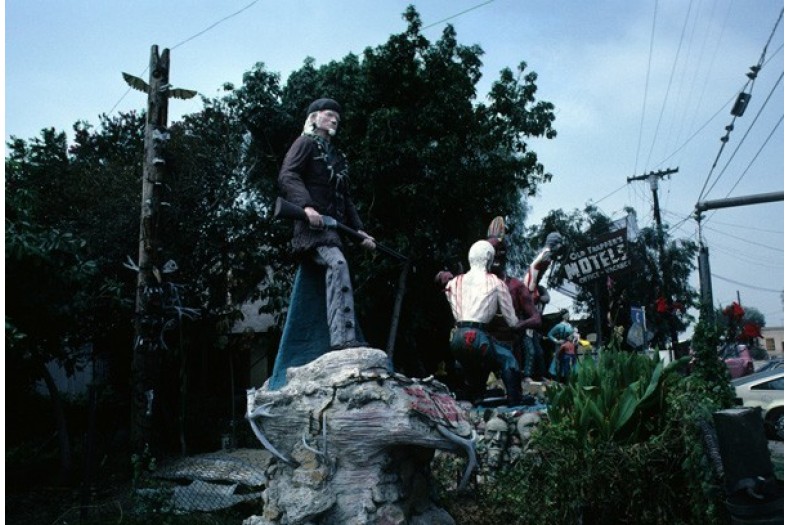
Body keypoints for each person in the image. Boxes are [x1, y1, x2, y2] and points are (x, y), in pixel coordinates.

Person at [278, 98, 376, 350]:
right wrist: (306, 206)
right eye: (329, 114)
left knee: (341, 268)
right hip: (312, 229)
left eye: (337, 118)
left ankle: (346, 336)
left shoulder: (338, 156)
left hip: (335, 232)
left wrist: (360, 231)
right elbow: (288, 175)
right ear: (314, 118)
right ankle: (343, 339)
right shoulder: (305, 143)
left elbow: (345, 197)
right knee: (338, 264)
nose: (334, 120)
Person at [441, 240, 537, 406]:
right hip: (478, 337)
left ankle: (474, 397)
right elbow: (512, 321)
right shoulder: (495, 282)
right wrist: (518, 324)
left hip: (456, 338)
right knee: (507, 358)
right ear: (489, 259)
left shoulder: (454, 282)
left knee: (473, 366)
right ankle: (515, 399)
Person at [546, 310, 575, 381]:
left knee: (569, 360)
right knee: (559, 361)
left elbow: (573, 335)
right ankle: (558, 377)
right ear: (563, 316)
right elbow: (549, 334)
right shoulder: (559, 326)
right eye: (566, 315)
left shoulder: (569, 325)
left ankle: (567, 377)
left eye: (568, 314)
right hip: (561, 345)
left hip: (570, 345)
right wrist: (556, 341)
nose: (568, 316)